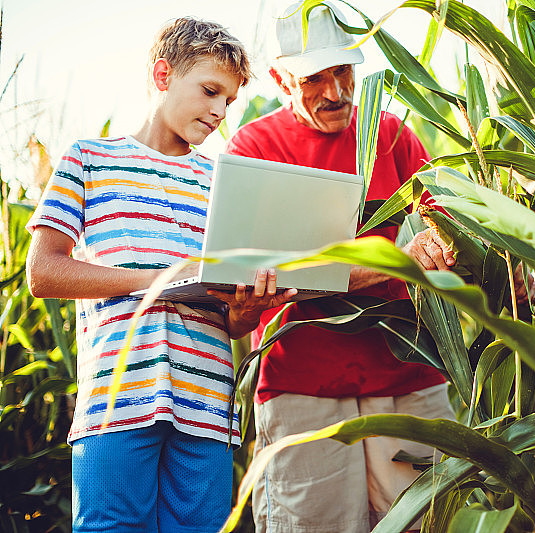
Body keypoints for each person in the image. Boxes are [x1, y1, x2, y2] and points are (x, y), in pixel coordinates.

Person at [25, 18, 296, 533]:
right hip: (115, 402)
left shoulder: (222, 183)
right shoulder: (88, 159)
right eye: (210, 91)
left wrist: (246, 309)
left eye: (229, 100)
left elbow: (231, 322)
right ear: (163, 74)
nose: (220, 111)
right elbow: (43, 272)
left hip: (207, 409)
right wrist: (162, 277)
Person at [224, 2, 459, 532]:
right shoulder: (255, 148)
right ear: (281, 79)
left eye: (343, 71)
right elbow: (278, 270)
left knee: (429, 522)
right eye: (314, 79)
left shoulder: (394, 135)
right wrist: (398, 260)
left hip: (409, 374)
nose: (335, 92)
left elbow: (447, 227)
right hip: (303, 388)